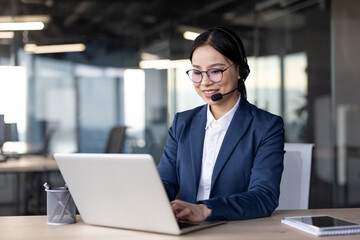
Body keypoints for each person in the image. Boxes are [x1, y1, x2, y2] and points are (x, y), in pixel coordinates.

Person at [157, 27, 285, 222]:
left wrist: (204, 210)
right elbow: (165, 182)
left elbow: (263, 197)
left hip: (237, 229)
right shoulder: (182, 123)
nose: (205, 82)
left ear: (241, 70)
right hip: (188, 230)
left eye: (215, 71)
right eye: (197, 72)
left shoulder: (266, 126)